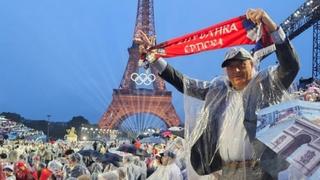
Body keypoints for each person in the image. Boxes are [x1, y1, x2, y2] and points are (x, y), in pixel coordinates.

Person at [137, 9, 300, 179]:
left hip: (259, 172)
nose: (236, 70)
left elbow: (291, 66)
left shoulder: (266, 85)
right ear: (225, 70)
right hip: (226, 172)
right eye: (230, 66)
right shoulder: (219, 91)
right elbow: (184, 83)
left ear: (252, 65)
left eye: (241, 64)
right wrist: (155, 59)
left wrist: (271, 26)